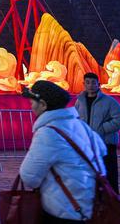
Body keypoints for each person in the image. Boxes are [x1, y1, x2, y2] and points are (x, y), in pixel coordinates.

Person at [19, 80, 107, 222]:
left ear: (43, 104)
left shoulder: (48, 133)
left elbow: (30, 177)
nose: (31, 107)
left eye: (32, 103)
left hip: (64, 208)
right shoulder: (81, 125)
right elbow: (102, 150)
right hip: (89, 202)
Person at [73, 72, 120, 193]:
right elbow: (76, 120)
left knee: (109, 179)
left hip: (105, 145)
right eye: (87, 82)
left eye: (93, 82)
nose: (90, 85)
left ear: (99, 84)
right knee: (91, 179)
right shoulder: (79, 102)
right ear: (83, 84)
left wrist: (103, 129)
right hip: (87, 146)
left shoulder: (109, 101)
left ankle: (114, 206)